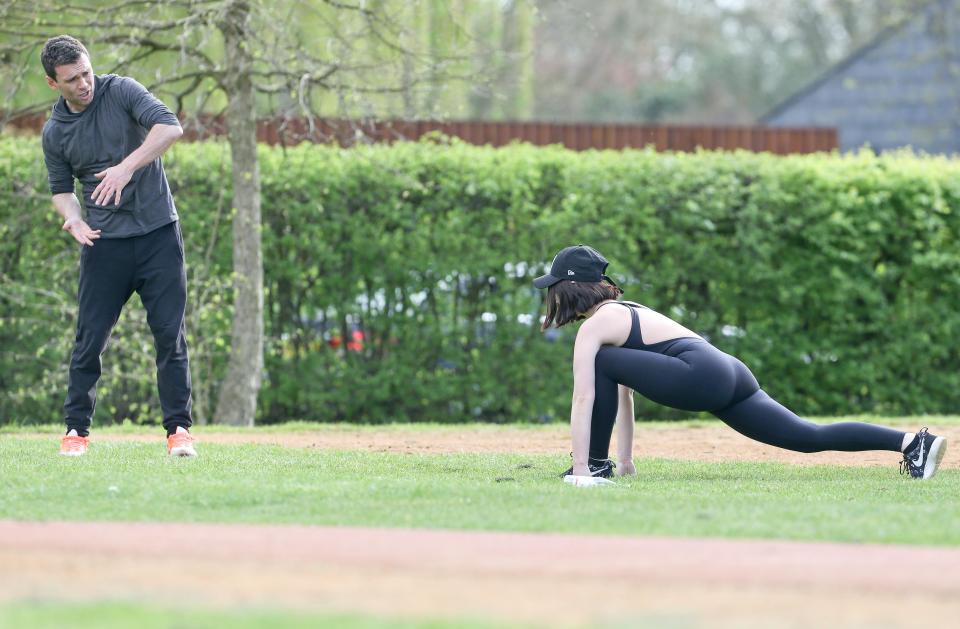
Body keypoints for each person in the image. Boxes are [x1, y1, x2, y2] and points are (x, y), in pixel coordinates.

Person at [534, 244, 946, 484]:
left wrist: (584, 469)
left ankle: (597, 465)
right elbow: (621, 392)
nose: (549, 298)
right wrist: (624, 463)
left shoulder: (597, 329)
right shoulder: (622, 312)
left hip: (699, 374)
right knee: (807, 435)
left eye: (552, 289)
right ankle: (913, 442)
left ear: (568, 288)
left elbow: (585, 397)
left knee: (603, 364)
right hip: (728, 372)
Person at [40, 35, 196, 457]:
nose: (84, 83)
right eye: (72, 79)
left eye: (87, 72)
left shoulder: (122, 90)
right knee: (88, 340)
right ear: (54, 84)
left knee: (170, 335)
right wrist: (72, 217)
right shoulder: (55, 133)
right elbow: (60, 189)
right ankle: (76, 433)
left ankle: (178, 431)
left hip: (159, 234)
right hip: (104, 244)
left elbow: (170, 127)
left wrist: (126, 168)